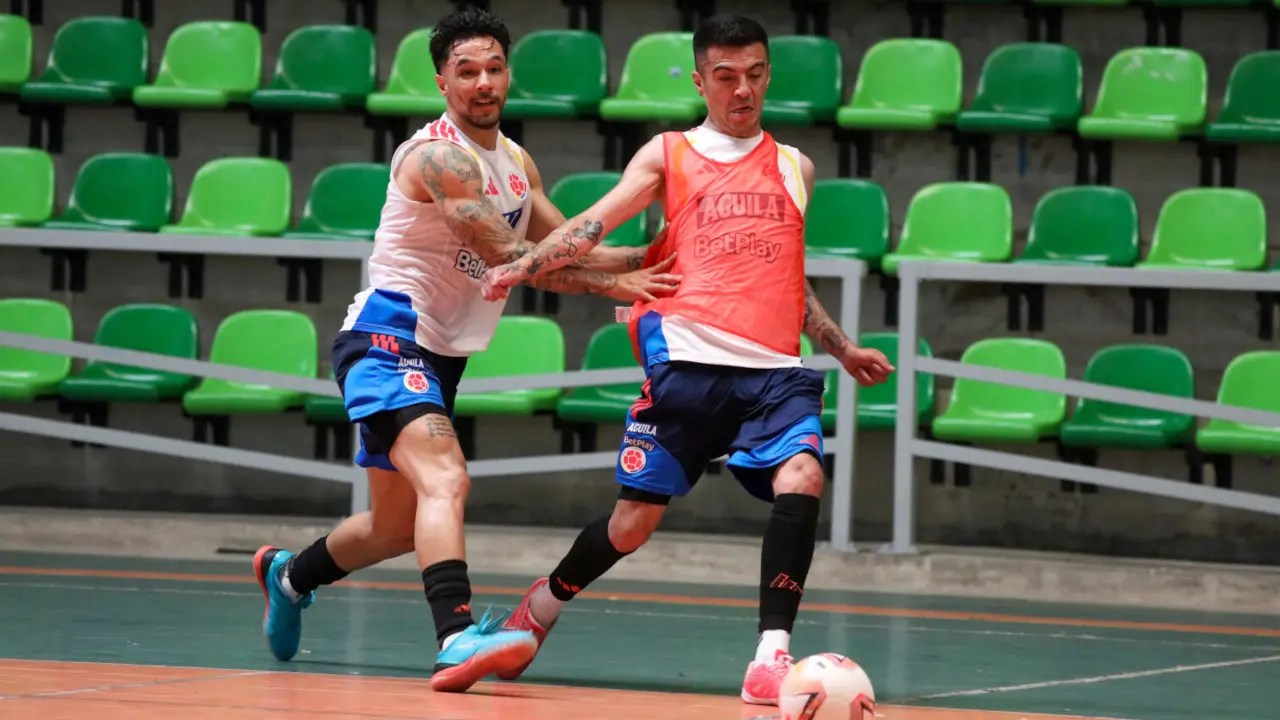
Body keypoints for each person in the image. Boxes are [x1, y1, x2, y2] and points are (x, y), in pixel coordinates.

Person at [250, 8, 680, 694]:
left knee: (394, 527)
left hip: (441, 356)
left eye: (494, 68)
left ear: (508, 74)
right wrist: (619, 284)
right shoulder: (438, 159)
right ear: (442, 82)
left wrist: (657, 254)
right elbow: (517, 260)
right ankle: (455, 638)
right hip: (389, 335)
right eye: (467, 71)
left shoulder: (515, 161)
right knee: (447, 479)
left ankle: (289, 575)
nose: (483, 82)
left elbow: (567, 241)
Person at [480, 15, 895, 706]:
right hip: (687, 365)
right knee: (631, 526)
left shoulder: (797, 167)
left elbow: (790, 276)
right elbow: (593, 225)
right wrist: (521, 266)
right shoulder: (668, 153)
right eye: (726, 78)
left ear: (768, 75)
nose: (743, 91)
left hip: (774, 375)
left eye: (756, 76)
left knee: (804, 476)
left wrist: (841, 347)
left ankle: (771, 656)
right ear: (701, 80)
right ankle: (539, 609)